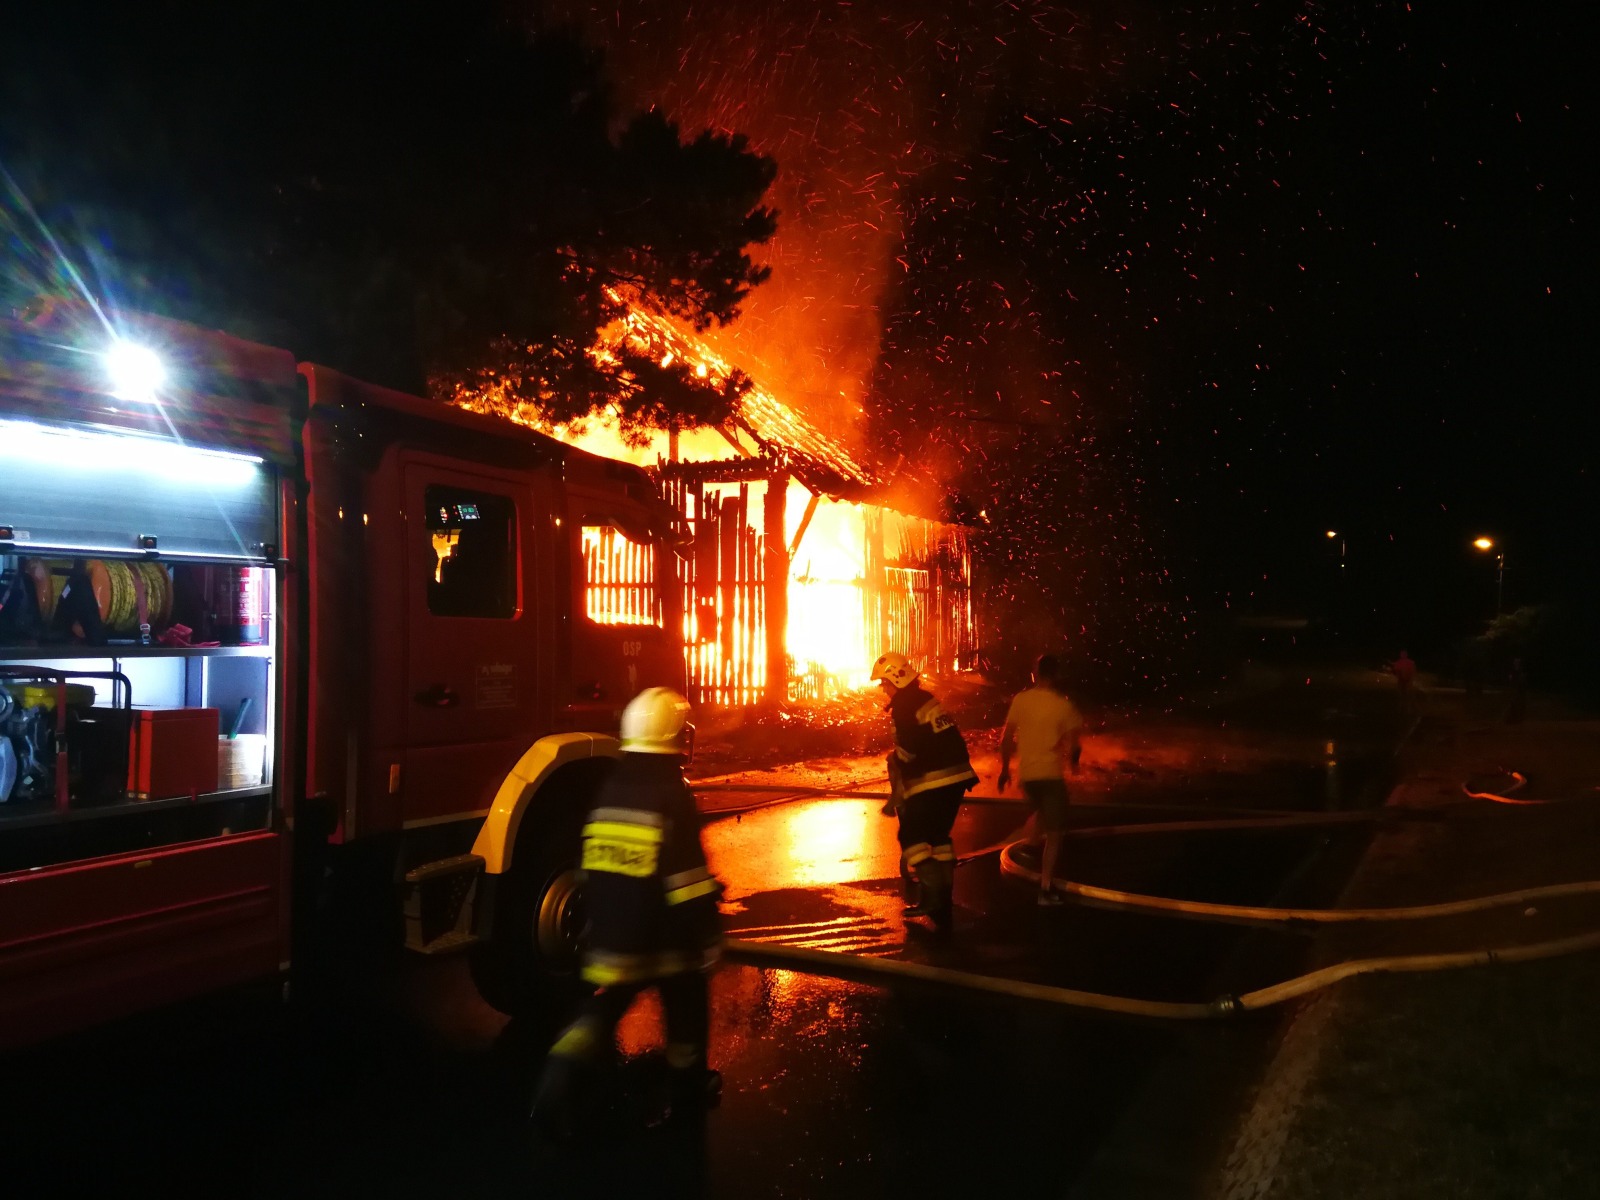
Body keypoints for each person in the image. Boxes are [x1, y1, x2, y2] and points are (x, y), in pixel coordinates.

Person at [530, 687, 723, 1135]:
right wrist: (709, 937)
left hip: (607, 941)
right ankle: (689, 1086)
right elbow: (687, 882)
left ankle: (558, 1071)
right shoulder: (671, 793)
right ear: (673, 737)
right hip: (661, 941)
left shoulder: (609, 787)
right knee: (687, 1002)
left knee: (600, 1011)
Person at [870, 651, 977, 930]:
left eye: (884, 682)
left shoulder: (905, 706)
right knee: (938, 837)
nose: (882, 688)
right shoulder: (925, 699)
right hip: (957, 776)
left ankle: (932, 896)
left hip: (936, 778)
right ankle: (944, 899)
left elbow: (908, 752)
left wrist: (896, 768)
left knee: (911, 836)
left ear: (896, 678)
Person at [997, 654, 1083, 905]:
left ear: (1035, 673)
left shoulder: (1021, 700)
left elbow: (1005, 740)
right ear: (1057, 675)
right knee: (1056, 835)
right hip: (1050, 776)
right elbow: (1075, 745)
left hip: (1028, 776)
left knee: (1039, 811)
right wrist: (1074, 764)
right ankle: (1045, 890)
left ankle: (1029, 845)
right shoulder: (1063, 705)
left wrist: (1004, 770)